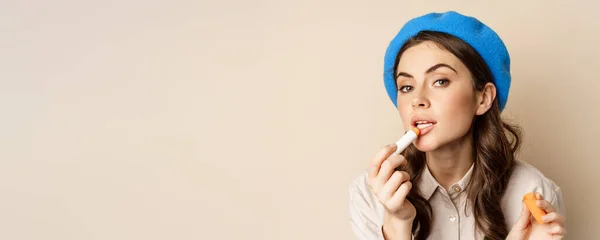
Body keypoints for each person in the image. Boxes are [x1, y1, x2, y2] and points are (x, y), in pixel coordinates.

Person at [348, 11, 566, 240]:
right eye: (406, 87)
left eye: (440, 81)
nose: (417, 99)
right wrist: (397, 223)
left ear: (483, 98)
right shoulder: (368, 193)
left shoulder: (531, 191)